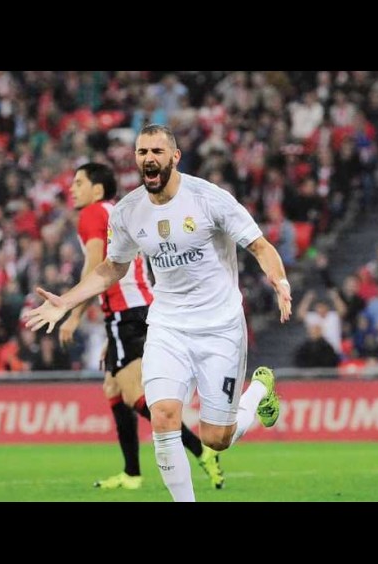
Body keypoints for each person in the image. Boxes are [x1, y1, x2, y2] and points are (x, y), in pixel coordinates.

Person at [26, 124, 292, 502]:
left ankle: (261, 389)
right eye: (142, 152)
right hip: (167, 326)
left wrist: (280, 282)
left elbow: (260, 246)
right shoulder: (127, 211)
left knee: (217, 438)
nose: (148, 159)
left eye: (156, 151)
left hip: (219, 327)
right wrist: (66, 302)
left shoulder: (208, 198)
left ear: (174, 157)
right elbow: (112, 268)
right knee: (164, 416)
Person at [58, 161, 224, 490]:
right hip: (140, 308)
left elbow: (95, 266)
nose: (72, 189)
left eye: (78, 183)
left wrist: (73, 315)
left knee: (134, 393)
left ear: (97, 189)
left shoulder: (92, 213)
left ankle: (198, 448)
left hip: (125, 313)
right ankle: (132, 473)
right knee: (113, 388)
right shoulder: (120, 212)